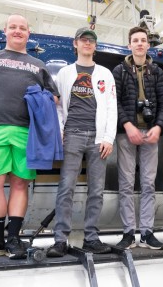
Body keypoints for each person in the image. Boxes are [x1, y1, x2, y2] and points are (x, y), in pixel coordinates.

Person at [0, 14, 59, 260]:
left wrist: (43, 99)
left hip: (26, 132)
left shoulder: (38, 64)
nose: (17, 31)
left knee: (20, 183)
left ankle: (14, 238)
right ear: (4, 31)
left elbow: (55, 98)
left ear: (29, 33)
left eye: (22, 28)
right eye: (13, 27)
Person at [46, 27, 117, 257]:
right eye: (83, 40)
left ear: (95, 46)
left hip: (98, 138)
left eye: (92, 40)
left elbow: (111, 107)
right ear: (75, 44)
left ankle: (91, 237)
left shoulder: (105, 73)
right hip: (73, 134)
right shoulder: (65, 73)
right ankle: (60, 239)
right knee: (66, 187)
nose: (88, 43)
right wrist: (60, 131)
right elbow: (58, 106)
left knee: (96, 190)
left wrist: (108, 138)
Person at [112, 27, 163, 250]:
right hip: (127, 134)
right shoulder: (119, 70)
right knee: (125, 184)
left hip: (151, 132)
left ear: (148, 45)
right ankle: (128, 233)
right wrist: (127, 124)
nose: (140, 44)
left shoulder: (157, 72)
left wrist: (159, 126)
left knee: (148, 185)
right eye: (135, 40)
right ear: (129, 45)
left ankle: (146, 232)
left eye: (143, 40)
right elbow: (113, 101)